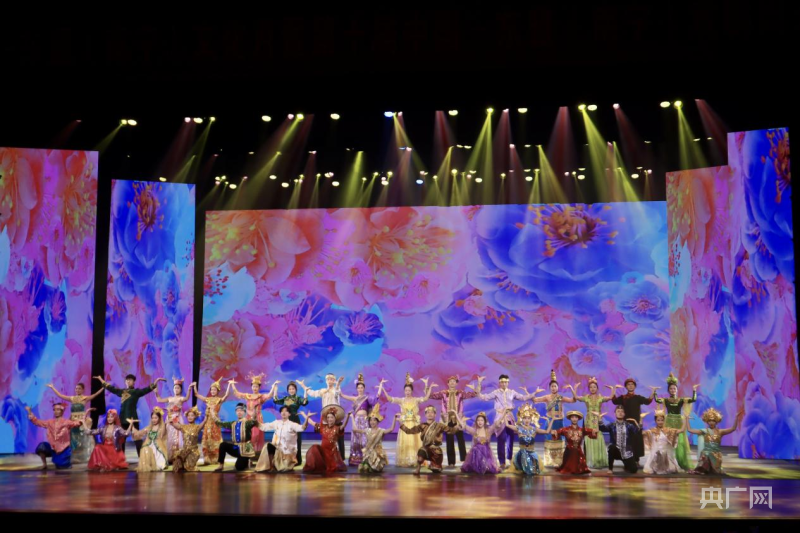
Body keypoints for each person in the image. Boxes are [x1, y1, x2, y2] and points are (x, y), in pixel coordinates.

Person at [95, 374, 164, 455]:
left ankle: (141, 458)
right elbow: (111, 388)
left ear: (134, 382)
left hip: (133, 419)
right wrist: (101, 379)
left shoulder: (136, 392)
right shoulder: (122, 392)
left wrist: (155, 382)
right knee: (121, 440)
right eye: (127, 380)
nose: (128, 381)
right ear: (125, 382)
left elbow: (147, 389)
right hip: (123, 419)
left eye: (130, 380)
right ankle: (121, 459)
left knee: (137, 439)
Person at [379, 374, 434, 467]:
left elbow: (425, 398)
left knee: (414, 442)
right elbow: (390, 399)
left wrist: (429, 387)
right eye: (406, 390)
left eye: (409, 390)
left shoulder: (416, 400)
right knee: (406, 442)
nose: (407, 392)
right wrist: (383, 388)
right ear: (404, 391)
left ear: (412, 391)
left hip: (414, 424)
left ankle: (416, 460)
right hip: (404, 425)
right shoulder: (402, 400)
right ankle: (406, 460)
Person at [46, 382, 103, 463]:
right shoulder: (72, 398)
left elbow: (95, 394)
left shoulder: (85, 398)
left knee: (83, 436)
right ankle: (74, 456)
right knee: (72, 437)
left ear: (83, 390)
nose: (77, 390)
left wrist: (103, 387)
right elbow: (60, 395)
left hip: (82, 421)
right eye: (76, 388)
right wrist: (52, 387)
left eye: (79, 388)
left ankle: (85, 456)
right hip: (73, 420)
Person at [429, 375, 478, 467]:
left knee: (461, 440)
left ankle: (464, 460)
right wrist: (428, 388)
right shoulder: (443, 393)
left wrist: (476, 388)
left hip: (458, 419)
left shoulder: (460, 393)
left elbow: (471, 395)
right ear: (448, 383)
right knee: (449, 440)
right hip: (447, 420)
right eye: (450, 381)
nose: (452, 383)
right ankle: (451, 462)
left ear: (456, 383)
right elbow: (432, 396)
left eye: (454, 381)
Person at [654, 372, 698, 471]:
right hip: (668, 422)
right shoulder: (666, 400)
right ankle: (668, 463)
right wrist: (655, 392)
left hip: (678, 422)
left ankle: (682, 462)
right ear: (668, 390)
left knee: (680, 443)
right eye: (671, 389)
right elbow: (657, 400)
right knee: (668, 443)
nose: (673, 390)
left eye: (674, 388)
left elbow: (693, 400)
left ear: (677, 389)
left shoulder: (681, 400)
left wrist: (694, 390)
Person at [398, 406, 460, 475]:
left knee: (436, 471)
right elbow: (409, 431)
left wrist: (458, 425)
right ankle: (418, 469)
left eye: (432, 412)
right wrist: (401, 424)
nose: (430, 414)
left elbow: (451, 430)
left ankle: (435, 464)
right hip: (425, 448)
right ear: (425, 415)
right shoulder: (422, 425)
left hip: (436, 451)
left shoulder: (440, 425)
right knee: (420, 456)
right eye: (428, 412)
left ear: (435, 414)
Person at [25, 403, 84, 470]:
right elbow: (37, 422)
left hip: (63, 449)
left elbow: (76, 423)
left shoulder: (66, 422)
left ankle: (66, 462)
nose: (56, 411)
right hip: (53, 448)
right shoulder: (50, 422)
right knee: (42, 447)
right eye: (54, 410)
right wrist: (30, 412)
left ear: (62, 411)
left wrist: (82, 421)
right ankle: (44, 464)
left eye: (58, 410)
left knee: (61, 467)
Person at [688, 408, 744, 475]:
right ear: (707, 421)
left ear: (716, 422)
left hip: (716, 454)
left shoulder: (720, 432)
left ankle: (712, 468)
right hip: (706, 454)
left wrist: (736, 417)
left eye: (713, 421)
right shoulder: (705, 431)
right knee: (705, 455)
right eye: (710, 421)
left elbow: (733, 429)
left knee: (716, 472)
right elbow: (690, 430)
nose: (711, 422)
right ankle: (703, 468)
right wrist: (686, 419)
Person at [256, 406, 312, 472]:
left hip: (287, 454)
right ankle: (271, 465)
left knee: (284, 469)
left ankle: (280, 464)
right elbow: (264, 427)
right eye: (282, 411)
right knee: (268, 446)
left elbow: (302, 428)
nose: (283, 413)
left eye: (286, 411)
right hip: (277, 451)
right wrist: (255, 421)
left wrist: (306, 419)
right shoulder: (276, 423)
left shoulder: (292, 424)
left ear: (289, 414)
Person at [191, 377, 232, 465]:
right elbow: (196, 394)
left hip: (215, 422)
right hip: (208, 421)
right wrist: (194, 385)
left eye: (214, 390)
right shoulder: (208, 399)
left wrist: (229, 384)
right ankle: (207, 458)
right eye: (212, 390)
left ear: (218, 391)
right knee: (207, 438)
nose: (213, 391)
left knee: (215, 438)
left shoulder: (219, 400)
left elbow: (226, 395)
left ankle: (216, 458)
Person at [506, 403, 552, 476]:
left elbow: (547, 431)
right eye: (525, 418)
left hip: (532, 453)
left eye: (528, 418)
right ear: (522, 419)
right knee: (527, 466)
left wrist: (549, 420)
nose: (527, 420)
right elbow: (507, 425)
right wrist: (506, 414)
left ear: (531, 419)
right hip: (522, 454)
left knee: (534, 471)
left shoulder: (534, 429)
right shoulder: (519, 428)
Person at [303, 405, 350, 474]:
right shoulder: (323, 427)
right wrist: (305, 415)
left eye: (331, 417)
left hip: (332, 453)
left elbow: (344, 425)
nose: (329, 419)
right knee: (314, 448)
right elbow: (312, 422)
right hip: (323, 452)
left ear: (335, 419)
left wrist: (348, 416)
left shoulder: (337, 428)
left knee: (332, 467)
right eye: (328, 417)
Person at [214, 403, 259, 472]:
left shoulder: (247, 423)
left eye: (241, 410)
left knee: (239, 467)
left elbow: (254, 421)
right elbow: (220, 424)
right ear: (235, 412)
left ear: (244, 412)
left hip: (245, 450)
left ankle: (247, 460)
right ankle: (221, 465)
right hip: (236, 448)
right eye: (237, 411)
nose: (239, 412)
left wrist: (254, 413)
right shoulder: (233, 423)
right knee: (223, 445)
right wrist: (212, 413)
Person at [272, 381, 309, 465]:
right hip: (286, 420)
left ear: (295, 390)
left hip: (295, 419)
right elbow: (276, 400)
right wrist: (275, 389)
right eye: (290, 389)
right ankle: (287, 459)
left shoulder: (298, 398)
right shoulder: (286, 398)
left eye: (293, 389)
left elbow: (304, 402)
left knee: (296, 440)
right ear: (288, 390)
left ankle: (297, 460)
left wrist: (306, 392)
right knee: (286, 439)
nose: (291, 390)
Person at [356, 405, 400, 474]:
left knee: (374, 469)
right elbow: (355, 429)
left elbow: (391, 429)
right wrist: (352, 418)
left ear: (377, 422)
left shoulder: (381, 431)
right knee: (364, 468)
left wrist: (394, 418)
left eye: (374, 420)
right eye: (371, 420)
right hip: (368, 453)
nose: (372, 422)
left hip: (377, 453)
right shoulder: (367, 430)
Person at [598, 405, 642, 474]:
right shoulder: (612, 425)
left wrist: (641, 419)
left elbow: (636, 431)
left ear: (624, 414)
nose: (620, 413)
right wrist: (600, 418)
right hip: (616, 451)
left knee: (633, 470)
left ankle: (626, 464)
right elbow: (603, 429)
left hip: (626, 452)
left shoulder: (628, 425)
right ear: (615, 414)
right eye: (618, 411)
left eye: (622, 411)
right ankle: (610, 468)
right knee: (611, 447)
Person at [642, 410, 688, 474]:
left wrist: (685, 419)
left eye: (662, 420)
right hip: (655, 454)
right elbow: (642, 433)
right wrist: (641, 420)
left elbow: (682, 430)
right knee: (652, 468)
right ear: (655, 421)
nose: (660, 422)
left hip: (666, 455)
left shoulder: (668, 430)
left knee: (671, 469)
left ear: (664, 421)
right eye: (658, 420)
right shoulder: (652, 430)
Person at [552, 411, 597, 475]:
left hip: (578, 451)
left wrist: (596, 422)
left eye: (576, 417)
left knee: (577, 456)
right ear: (570, 419)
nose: (574, 419)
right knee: (572, 453)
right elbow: (556, 432)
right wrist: (554, 431)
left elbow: (594, 432)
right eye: (572, 417)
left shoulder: (582, 430)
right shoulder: (565, 429)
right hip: (569, 451)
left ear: (578, 419)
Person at [131, 407, 169, 472]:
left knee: (159, 464)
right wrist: (132, 426)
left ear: (159, 418)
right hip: (149, 446)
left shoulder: (162, 427)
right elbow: (138, 433)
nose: (154, 420)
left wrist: (166, 421)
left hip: (158, 448)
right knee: (144, 449)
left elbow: (162, 434)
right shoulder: (149, 428)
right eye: (152, 418)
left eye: (156, 418)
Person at [170, 406, 207, 473]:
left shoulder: (197, 427)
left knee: (188, 467)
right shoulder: (184, 427)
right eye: (188, 415)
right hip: (185, 451)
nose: (190, 417)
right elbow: (175, 425)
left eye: (192, 415)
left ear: (195, 417)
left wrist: (207, 413)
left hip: (193, 451)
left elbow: (204, 421)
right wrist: (172, 419)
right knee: (177, 461)